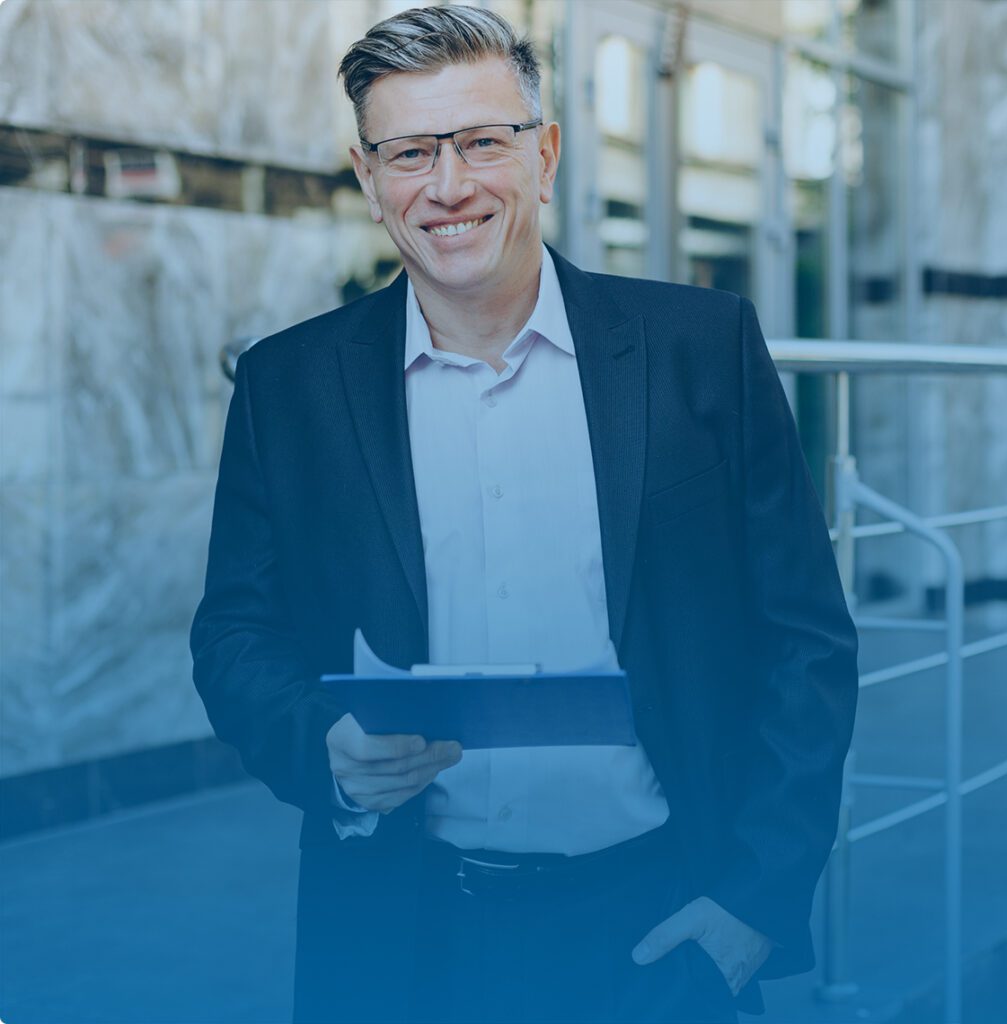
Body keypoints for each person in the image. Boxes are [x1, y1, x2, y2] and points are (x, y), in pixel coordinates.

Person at [190, 6, 858, 1023]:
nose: (448, 186)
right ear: (369, 178)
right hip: (400, 932)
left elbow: (805, 641)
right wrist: (316, 743)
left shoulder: (699, 349)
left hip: (662, 923)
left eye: (482, 142)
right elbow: (235, 633)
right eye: (411, 151)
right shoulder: (290, 385)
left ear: (543, 154)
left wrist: (752, 903)